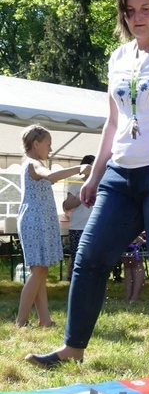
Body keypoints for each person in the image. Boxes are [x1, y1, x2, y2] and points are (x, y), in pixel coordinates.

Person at [26, 0, 149, 374]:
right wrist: (95, 177)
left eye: (146, 8)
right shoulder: (118, 57)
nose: (137, 17)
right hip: (120, 173)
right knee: (89, 257)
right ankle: (72, 350)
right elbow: (112, 125)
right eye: (130, 11)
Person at [15, 125, 92, 328]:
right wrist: (79, 168)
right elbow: (51, 176)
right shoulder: (34, 164)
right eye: (48, 144)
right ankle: (21, 321)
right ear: (36, 144)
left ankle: (45, 320)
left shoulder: (32, 164)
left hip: (36, 220)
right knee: (39, 271)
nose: (50, 148)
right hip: (35, 221)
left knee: (40, 271)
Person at [62, 155, 95, 281]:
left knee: (93, 257)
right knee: (77, 257)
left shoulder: (101, 184)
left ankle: (91, 282)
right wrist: (81, 197)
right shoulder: (76, 184)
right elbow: (66, 206)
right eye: (92, 165)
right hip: (78, 227)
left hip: (96, 227)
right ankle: (75, 282)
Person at [123, 232, 146, 301]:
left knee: (136, 263)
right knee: (127, 263)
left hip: (137, 234)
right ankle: (128, 295)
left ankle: (135, 296)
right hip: (123, 234)